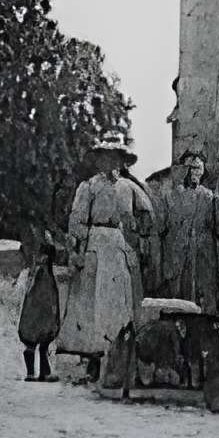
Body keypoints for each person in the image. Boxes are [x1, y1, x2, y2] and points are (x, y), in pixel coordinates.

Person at [64, 139, 152, 393]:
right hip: (97, 243)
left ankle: (121, 359)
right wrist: (77, 249)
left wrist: (138, 233)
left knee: (122, 303)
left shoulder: (129, 188)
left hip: (119, 242)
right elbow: (77, 220)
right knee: (94, 303)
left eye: (115, 159)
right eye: (105, 158)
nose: (110, 164)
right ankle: (93, 358)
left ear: (121, 162)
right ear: (99, 161)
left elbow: (148, 213)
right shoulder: (89, 187)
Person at [147, 151, 219, 385]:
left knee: (202, 318)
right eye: (189, 168)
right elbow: (159, 230)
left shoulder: (209, 198)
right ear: (181, 170)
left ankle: (200, 371)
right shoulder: (170, 198)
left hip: (203, 264)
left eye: (198, 168)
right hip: (177, 262)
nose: (194, 173)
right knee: (175, 314)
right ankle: (174, 369)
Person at [15, 234, 64, 382]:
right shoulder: (44, 273)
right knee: (39, 342)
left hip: (34, 315)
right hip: (39, 315)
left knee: (36, 343)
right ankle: (40, 373)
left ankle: (37, 373)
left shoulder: (38, 271)